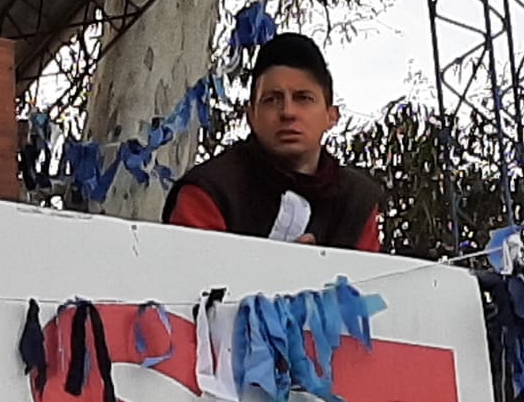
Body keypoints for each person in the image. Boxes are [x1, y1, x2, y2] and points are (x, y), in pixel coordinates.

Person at [162, 33, 383, 251]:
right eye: (272, 100)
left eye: (303, 98)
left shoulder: (356, 201)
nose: (288, 112)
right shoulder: (211, 192)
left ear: (331, 116)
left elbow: (369, 274)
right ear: (251, 117)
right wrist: (279, 267)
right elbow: (192, 270)